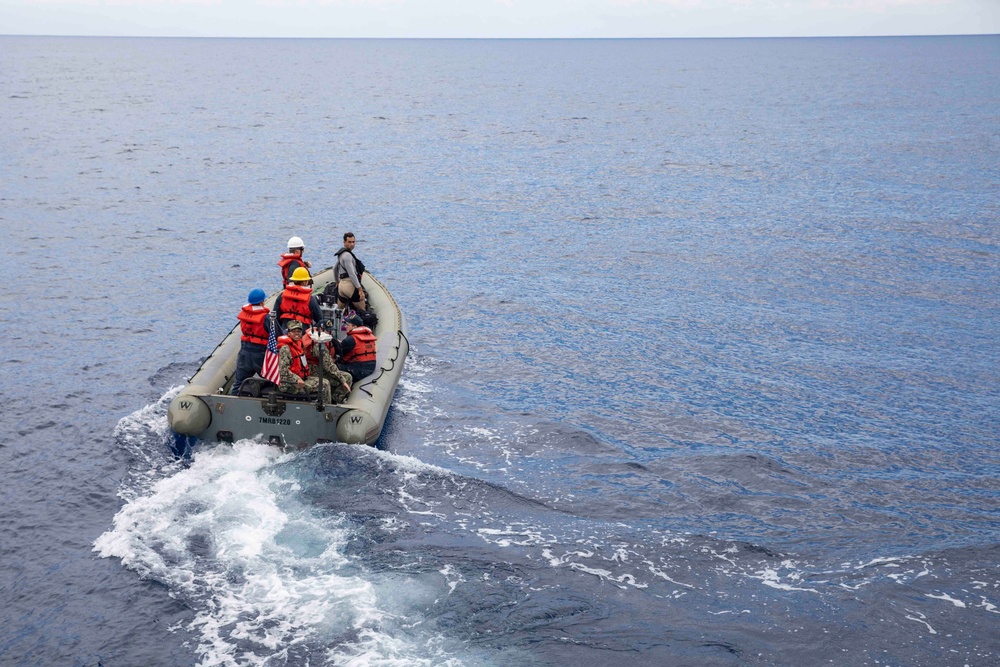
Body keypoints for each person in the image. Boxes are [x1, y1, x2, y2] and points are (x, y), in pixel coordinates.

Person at [277, 320, 333, 403]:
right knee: (324, 385)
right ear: (288, 333)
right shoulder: (285, 348)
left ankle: (325, 405)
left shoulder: (298, 344)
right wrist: (297, 379)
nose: (297, 333)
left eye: (299, 331)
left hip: (301, 378)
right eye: (294, 331)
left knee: (325, 381)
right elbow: (283, 370)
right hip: (289, 383)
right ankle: (324, 409)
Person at [230, 288, 271, 395]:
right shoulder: (266, 318)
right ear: (262, 302)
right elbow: (277, 335)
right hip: (261, 354)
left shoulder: (244, 315)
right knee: (272, 381)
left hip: (245, 352)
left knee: (238, 383)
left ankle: (233, 401)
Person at [303, 328, 353, 403]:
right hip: (313, 370)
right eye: (326, 331)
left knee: (348, 377)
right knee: (341, 380)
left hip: (320, 368)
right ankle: (328, 404)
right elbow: (328, 365)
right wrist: (342, 380)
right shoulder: (317, 345)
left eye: (330, 331)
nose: (329, 333)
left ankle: (335, 399)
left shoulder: (326, 342)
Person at [273, 266, 322, 332]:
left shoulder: (282, 296)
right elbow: (320, 319)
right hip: (302, 334)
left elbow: (275, 318)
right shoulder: (310, 299)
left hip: (285, 333)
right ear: (305, 282)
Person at [337, 314, 377, 382]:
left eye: (347, 325)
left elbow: (339, 354)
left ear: (355, 326)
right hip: (371, 367)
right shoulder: (369, 336)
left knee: (332, 367)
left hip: (358, 370)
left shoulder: (350, 340)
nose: (345, 326)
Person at [334, 232, 366, 311]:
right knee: (363, 310)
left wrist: (337, 282)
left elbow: (334, 269)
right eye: (349, 242)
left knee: (340, 312)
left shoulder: (341, 254)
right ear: (344, 243)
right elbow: (352, 274)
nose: (352, 244)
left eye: (353, 242)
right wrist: (360, 289)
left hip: (341, 286)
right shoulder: (348, 255)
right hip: (349, 286)